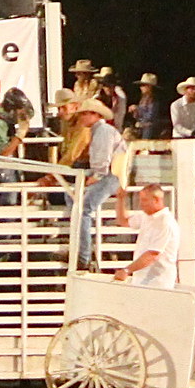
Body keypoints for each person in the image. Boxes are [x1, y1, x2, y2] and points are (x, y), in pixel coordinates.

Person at [69, 98, 126, 271]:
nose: (81, 118)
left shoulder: (103, 131)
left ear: (94, 114)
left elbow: (102, 160)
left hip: (110, 175)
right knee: (73, 197)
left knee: (84, 208)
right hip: (108, 173)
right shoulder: (100, 130)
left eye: (84, 114)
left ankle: (83, 255)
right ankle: (83, 248)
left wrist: (96, 176)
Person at [112, 184, 180, 289]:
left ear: (156, 200)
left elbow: (153, 254)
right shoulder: (146, 217)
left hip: (158, 282)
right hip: (141, 279)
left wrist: (127, 270)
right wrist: (120, 199)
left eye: (144, 200)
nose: (141, 204)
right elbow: (123, 221)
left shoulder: (165, 222)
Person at [0, 87, 34, 206]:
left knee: (15, 202)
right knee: (8, 205)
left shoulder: (5, 122)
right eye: (20, 113)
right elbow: (4, 153)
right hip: (0, 170)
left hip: (8, 169)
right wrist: (20, 134)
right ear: (11, 109)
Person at [128, 73, 162, 140]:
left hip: (149, 130)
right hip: (141, 129)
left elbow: (150, 116)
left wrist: (137, 109)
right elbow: (140, 116)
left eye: (143, 85)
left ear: (149, 86)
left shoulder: (154, 100)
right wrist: (135, 112)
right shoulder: (143, 99)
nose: (141, 87)